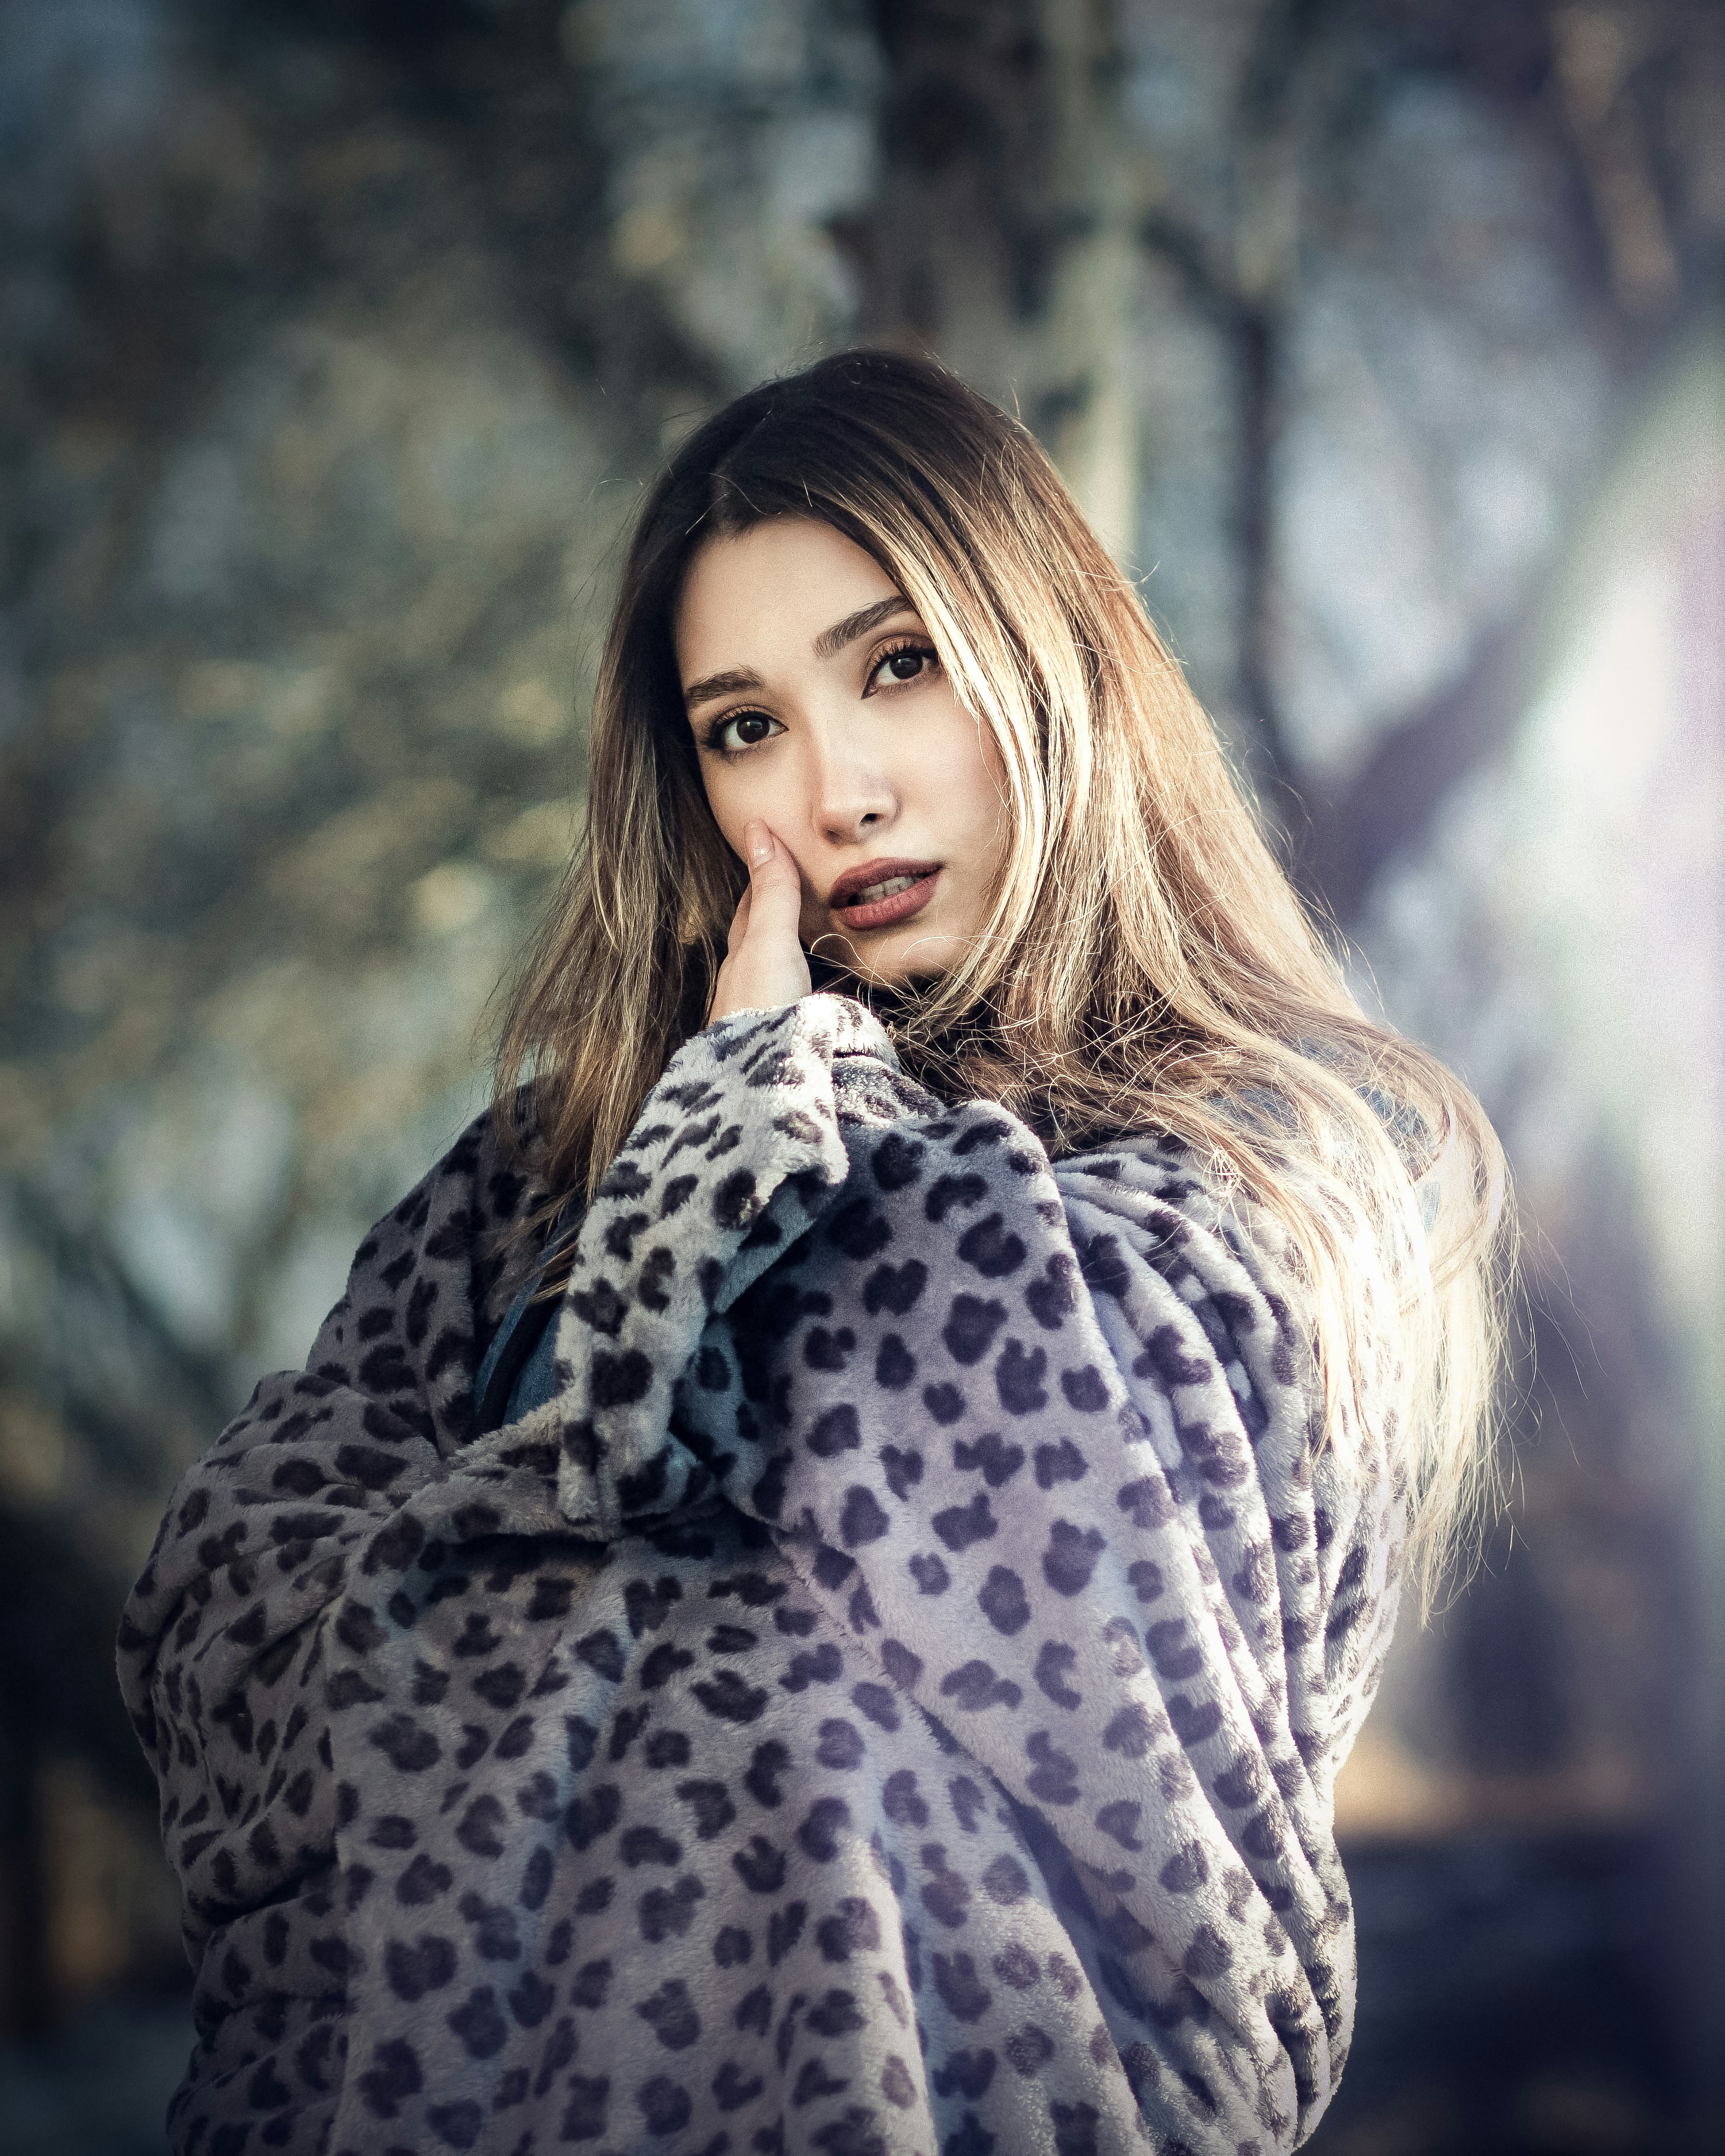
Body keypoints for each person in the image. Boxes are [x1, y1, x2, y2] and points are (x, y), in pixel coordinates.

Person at [117, 350, 1509, 2156]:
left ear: (1049, 662)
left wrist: (759, 1125)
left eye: (898, 665)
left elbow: (998, 1503)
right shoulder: (536, 1176)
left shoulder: (1282, 1148)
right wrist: (709, 1155)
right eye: (745, 725)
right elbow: (232, 1633)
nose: (834, 788)